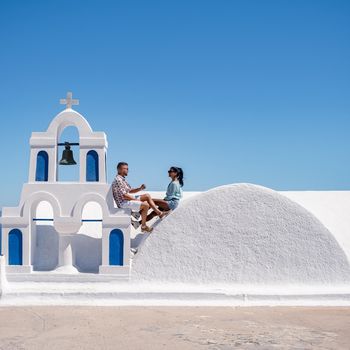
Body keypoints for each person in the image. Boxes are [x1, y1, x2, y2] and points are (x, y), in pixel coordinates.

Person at [112, 162, 166, 233]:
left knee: (147, 196)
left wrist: (140, 188)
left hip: (126, 199)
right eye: (125, 168)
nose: (127, 170)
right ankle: (143, 226)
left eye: (127, 169)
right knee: (146, 205)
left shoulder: (122, 179)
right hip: (123, 203)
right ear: (119, 170)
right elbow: (124, 196)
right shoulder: (118, 180)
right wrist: (137, 200)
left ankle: (158, 213)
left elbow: (130, 190)